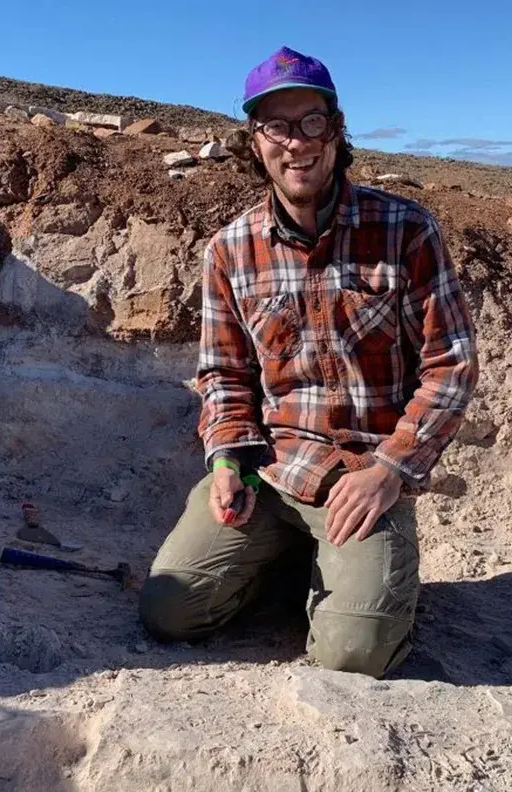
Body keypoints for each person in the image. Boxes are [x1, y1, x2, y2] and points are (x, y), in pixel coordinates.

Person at [138, 46, 478, 678]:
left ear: (336, 128)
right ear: (255, 140)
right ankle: (296, 559)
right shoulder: (229, 250)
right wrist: (227, 461)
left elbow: (450, 364)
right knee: (169, 610)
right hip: (271, 474)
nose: (296, 142)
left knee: (355, 655)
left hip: (363, 480)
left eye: (311, 122)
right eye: (277, 126)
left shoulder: (406, 229)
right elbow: (224, 374)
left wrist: (390, 471)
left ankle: (355, 581)